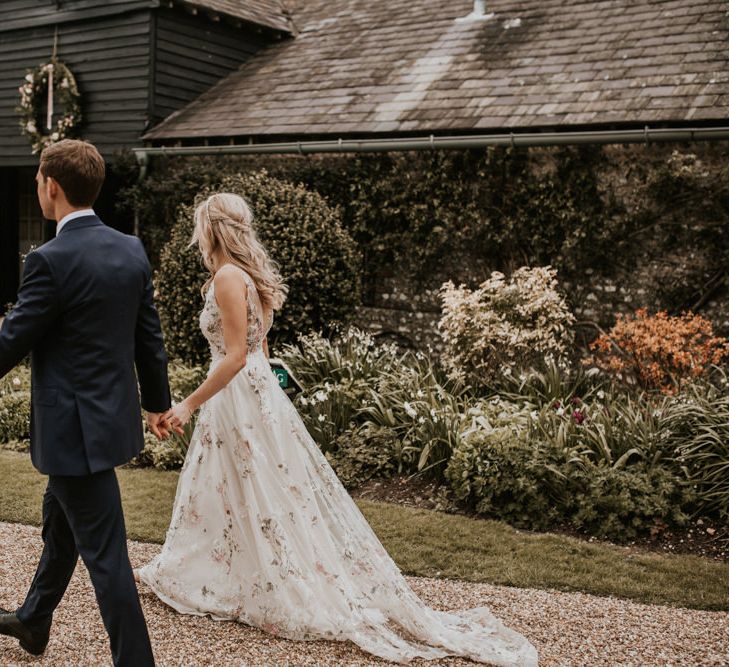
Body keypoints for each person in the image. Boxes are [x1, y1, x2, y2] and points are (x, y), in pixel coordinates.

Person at [135, 192, 539, 666]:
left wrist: (186, 404)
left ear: (211, 230)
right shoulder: (250, 278)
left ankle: (239, 580)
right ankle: (223, 573)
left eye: (199, 227)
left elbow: (236, 356)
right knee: (243, 490)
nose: (196, 237)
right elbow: (257, 352)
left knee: (244, 488)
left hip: (241, 395)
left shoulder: (226, 277)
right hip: (255, 396)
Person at [0, 139, 171, 666]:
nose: (36, 187)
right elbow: (150, 339)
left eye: (37, 180)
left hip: (72, 434)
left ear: (51, 186)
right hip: (106, 425)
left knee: (108, 558)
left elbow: (13, 342)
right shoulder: (130, 249)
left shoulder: (48, 260)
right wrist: (157, 403)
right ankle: (33, 622)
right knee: (60, 527)